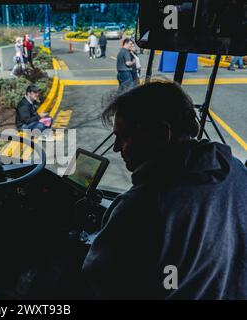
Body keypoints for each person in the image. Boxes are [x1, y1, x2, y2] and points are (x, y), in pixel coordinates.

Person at [81, 80, 247, 299]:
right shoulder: (236, 170)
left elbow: (98, 280)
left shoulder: (141, 205)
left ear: (161, 133)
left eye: (123, 136)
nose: (116, 147)